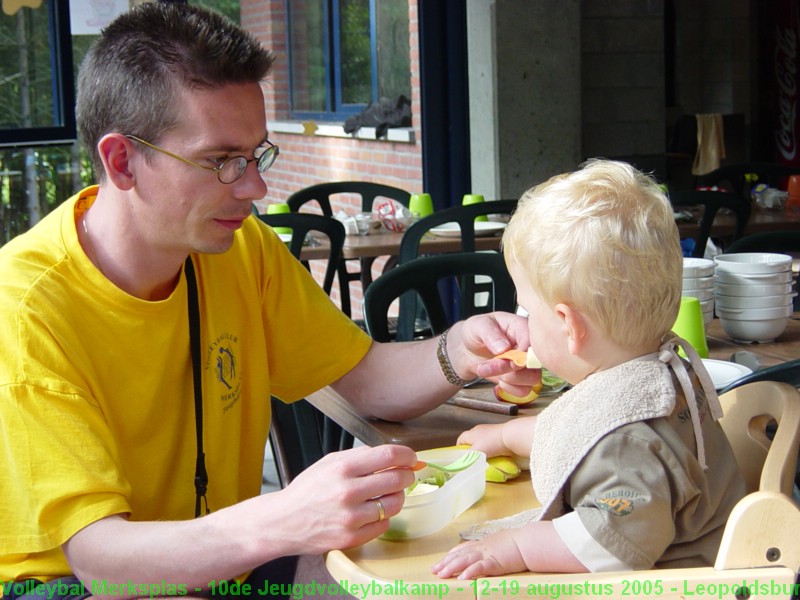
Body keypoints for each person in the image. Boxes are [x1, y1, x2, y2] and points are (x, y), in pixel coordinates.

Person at [0, 4, 537, 598]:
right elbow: (102, 563)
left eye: (256, 155)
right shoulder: (24, 308)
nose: (254, 188)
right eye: (221, 161)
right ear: (122, 162)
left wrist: (457, 350)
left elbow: (365, 378)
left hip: (218, 569)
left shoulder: (238, 246)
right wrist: (286, 518)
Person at [432, 160, 747, 580]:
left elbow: (612, 544)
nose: (522, 319)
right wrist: (505, 435)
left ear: (568, 326)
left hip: (677, 583)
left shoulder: (627, 440)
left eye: (526, 307)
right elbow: (579, 429)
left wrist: (515, 546)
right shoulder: (655, 372)